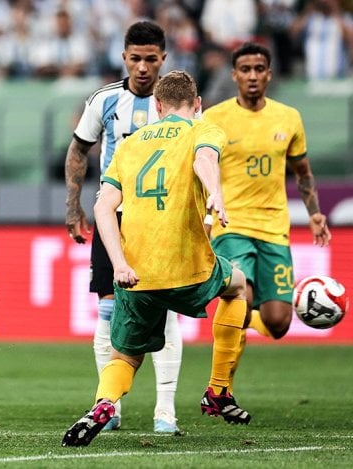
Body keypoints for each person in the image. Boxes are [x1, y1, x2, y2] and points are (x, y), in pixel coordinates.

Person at [62, 70, 251, 448]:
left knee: (126, 356)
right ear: (198, 104)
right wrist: (215, 192)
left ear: (158, 106)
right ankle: (218, 389)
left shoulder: (130, 145)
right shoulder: (203, 128)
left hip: (137, 274)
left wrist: (119, 265)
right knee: (239, 285)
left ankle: (104, 403)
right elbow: (204, 161)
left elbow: (102, 207)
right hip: (189, 269)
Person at [64, 20, 183, 433]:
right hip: (112, 216)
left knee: (163, 309)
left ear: (164, 59)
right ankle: (110, 405)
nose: (144, 67)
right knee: (108, 307)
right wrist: (72, 205)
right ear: (124, 58)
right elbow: (79, 150)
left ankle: (165, 409)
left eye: (152, 59)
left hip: (162, 217)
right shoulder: (104, 100)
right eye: (136, 58)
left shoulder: (176, 103)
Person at [202, 42, 330, 388]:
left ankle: (244, 321)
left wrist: (315, 214)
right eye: (245, 70)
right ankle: (220, 388)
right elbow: (198, 167)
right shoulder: (214, 119)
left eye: (259, 69)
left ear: (269, 74)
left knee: (277, 323)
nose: (253, 76)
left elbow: (302, 172)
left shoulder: (288, 118)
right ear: (234, 75)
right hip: (232, 226)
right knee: (238, 299)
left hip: (274, 228)